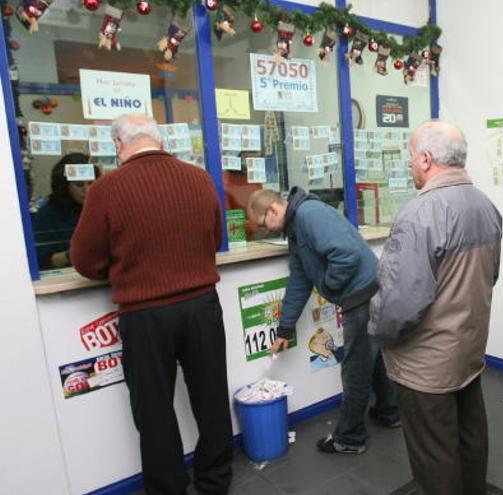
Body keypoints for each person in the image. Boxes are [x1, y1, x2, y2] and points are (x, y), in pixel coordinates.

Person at [70, 114, 233, 495]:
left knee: (154, 410)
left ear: (118, 145)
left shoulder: (105, 189)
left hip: (144, 314)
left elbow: (85, 260)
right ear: (159, 141)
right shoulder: (198, 179)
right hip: (201, 305)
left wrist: (123, 266)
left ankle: (169, 488)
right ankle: (215, 484)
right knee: (211, 399)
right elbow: (214, 238)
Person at [369, 120, 503, 495]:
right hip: (469, 349)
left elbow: (398, 305)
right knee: (470, 439)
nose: (410, 164)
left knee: (434, 457)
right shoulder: (486, 206)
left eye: (412, 156)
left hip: (425, 366)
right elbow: (490, 276)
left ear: (426, 159)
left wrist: (376, 333)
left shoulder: (419, 215)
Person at [246, 186, 399, 455]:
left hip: (363, 296)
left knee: (355, 370)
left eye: (263, 223)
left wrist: (329, 286)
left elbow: (346, 254)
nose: (265, 230)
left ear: (272, 210)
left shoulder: (310, 214)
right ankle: (390, 411)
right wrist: (284, 329)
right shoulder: (295, 229)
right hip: (366, 293)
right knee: (371, 359)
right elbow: (299, 281)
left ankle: (350, 438)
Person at [32, 153, 100, 270]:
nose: (87, 190)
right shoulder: (48, 214)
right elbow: (42, 260)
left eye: (90, 183)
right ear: (64, 186)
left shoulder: (99, 207)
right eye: (79, 185)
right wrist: (73, 255)